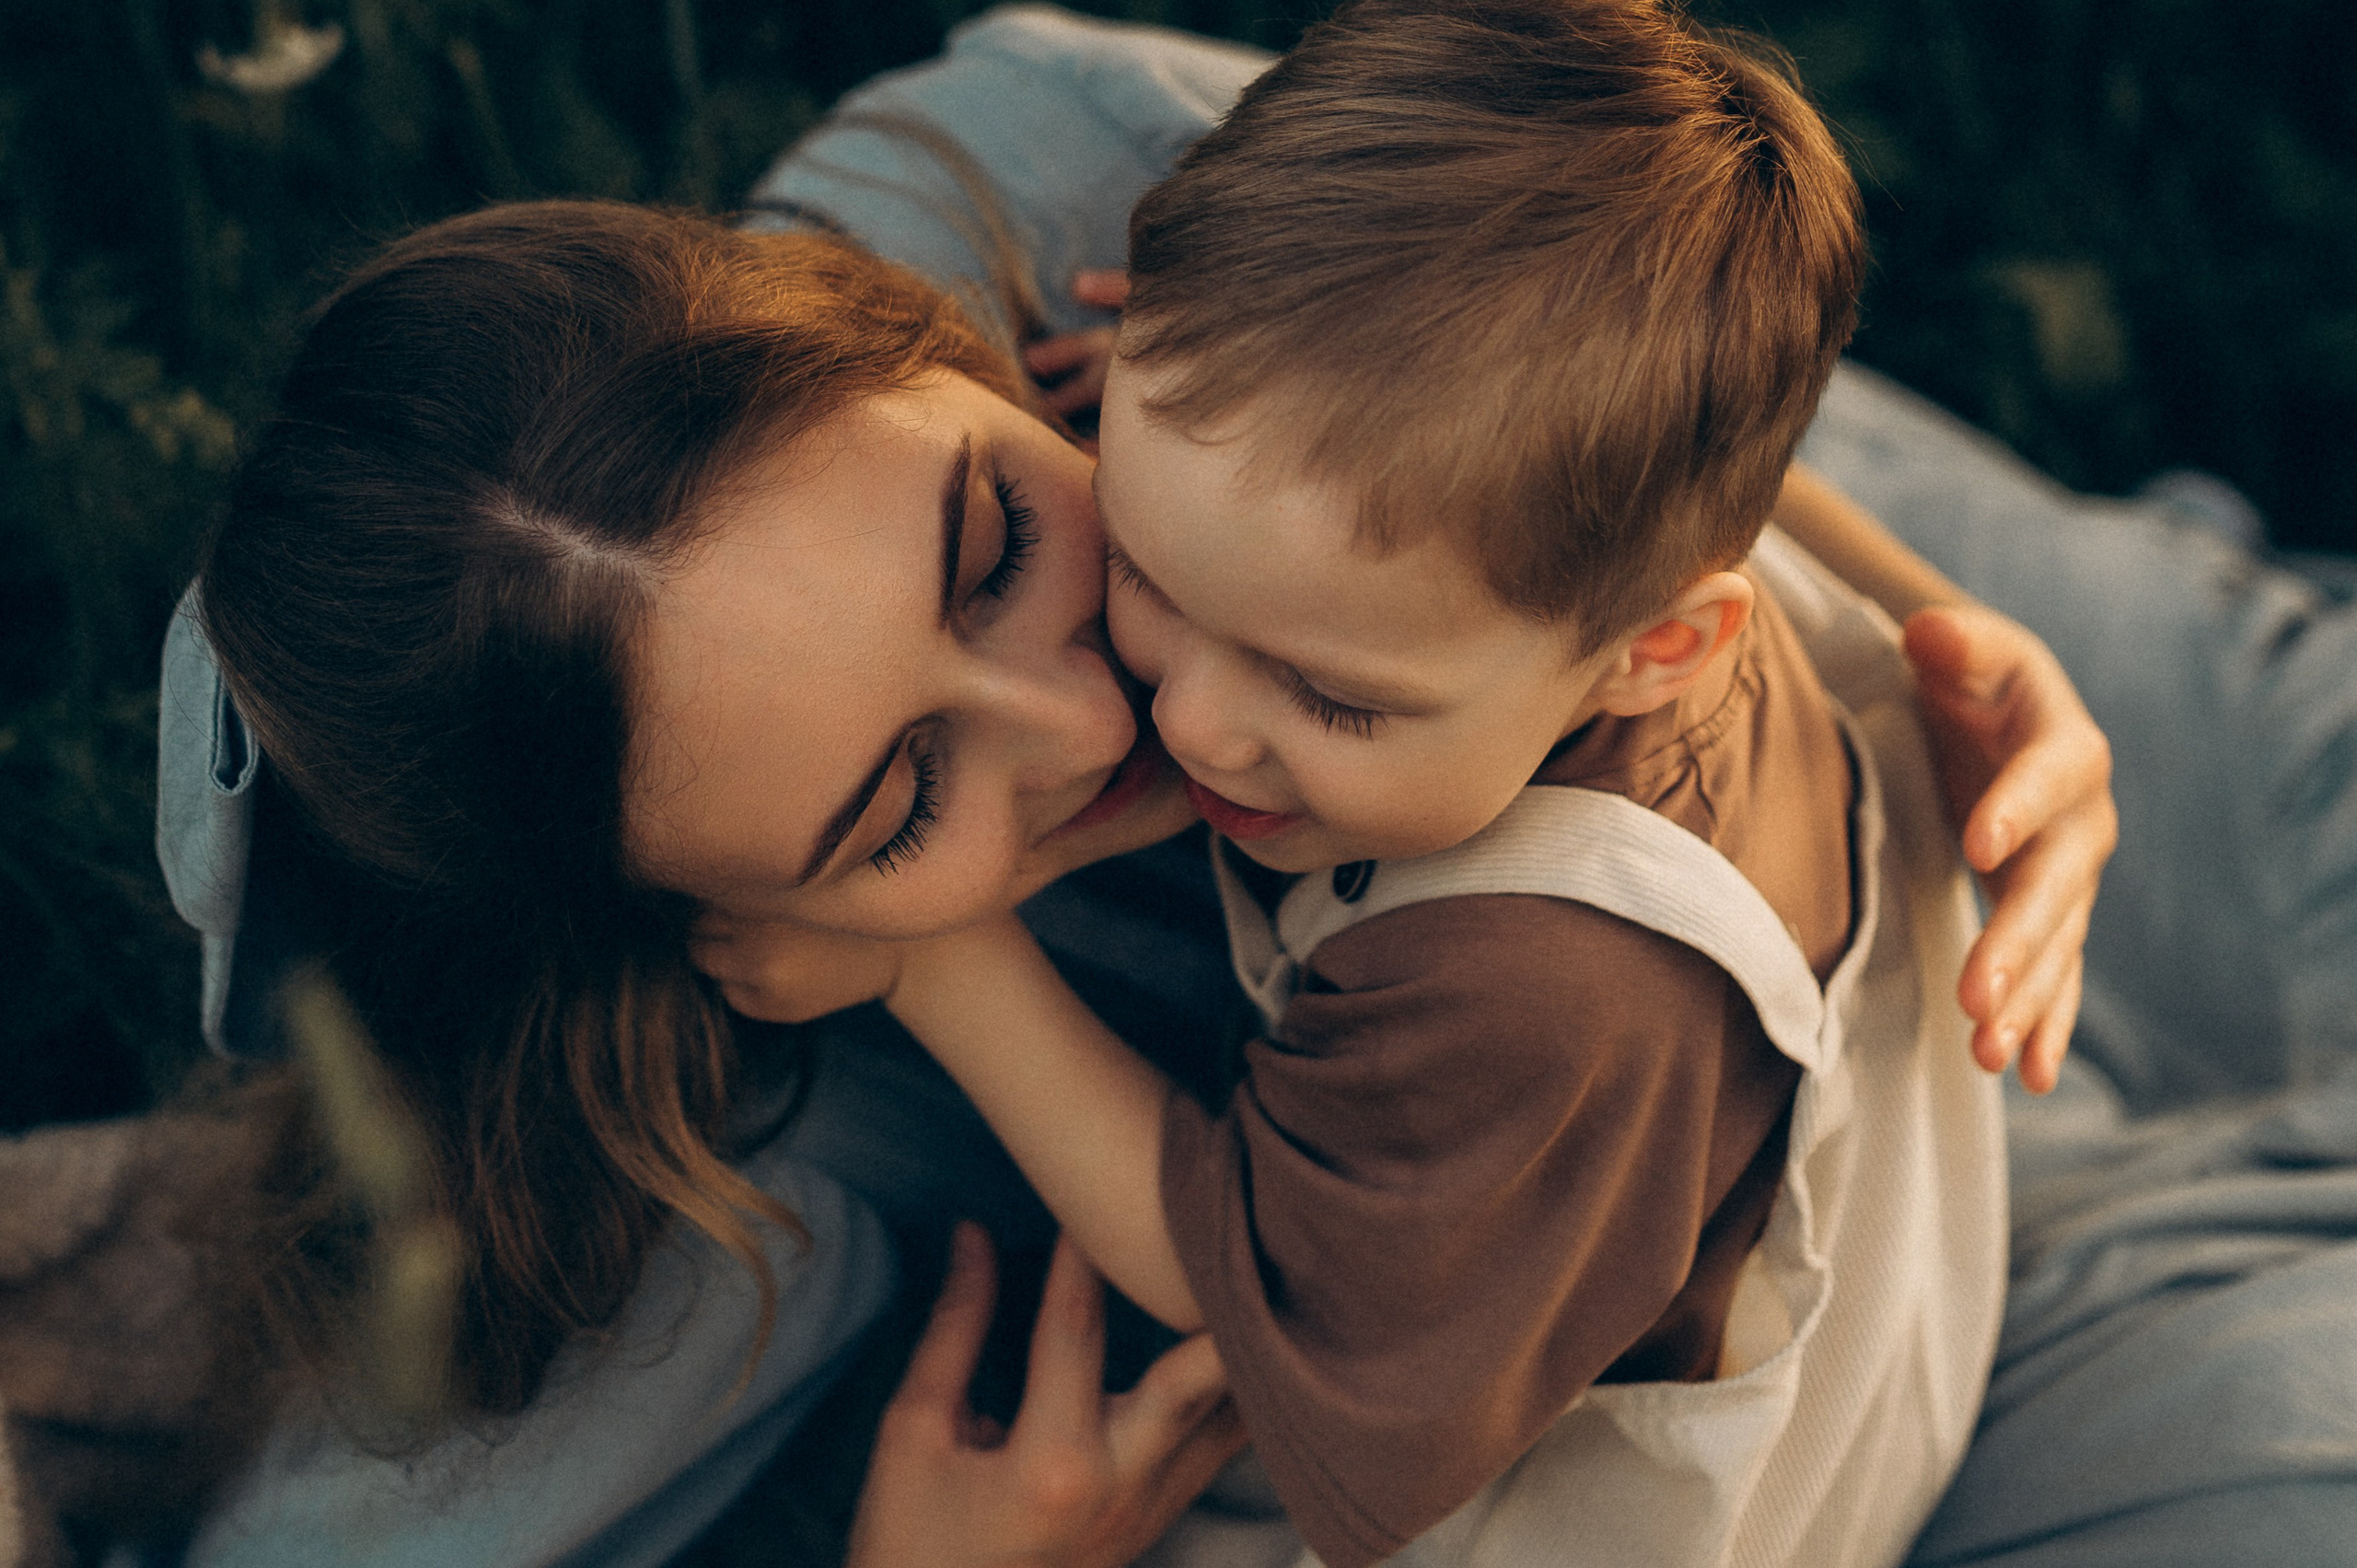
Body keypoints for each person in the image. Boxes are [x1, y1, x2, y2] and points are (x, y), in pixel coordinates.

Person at [143, 10, 2120, 1568]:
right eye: (898, 806)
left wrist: (1946, 623)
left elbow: (1567, 419)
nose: (1110, 727)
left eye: (994, 541)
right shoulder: (749, 1206)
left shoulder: (1166, 311)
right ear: (723, 932)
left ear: (955, 351)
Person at [739, 3, 2010, 1563]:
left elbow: (1242, 1281)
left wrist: (930, 957)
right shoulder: (1507, 551)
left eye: (1329, 695)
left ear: (1656, 650)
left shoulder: (1548, 989)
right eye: (1143, 559)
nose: (1190, 722)